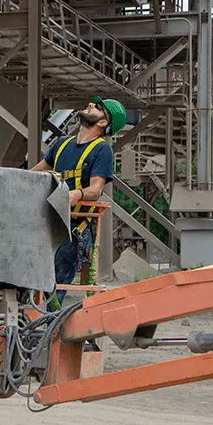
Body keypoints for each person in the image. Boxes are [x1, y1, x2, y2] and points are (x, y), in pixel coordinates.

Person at [30, 96, 126, 294]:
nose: (89, 104)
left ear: (103, 122)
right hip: (47, 221)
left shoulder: (101, 150)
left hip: (73, 227)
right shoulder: (62, 144)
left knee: (54, 281)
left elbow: (96, 190)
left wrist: (76, 194)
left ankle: (50, 320)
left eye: (97, 107)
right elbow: (34, 173)